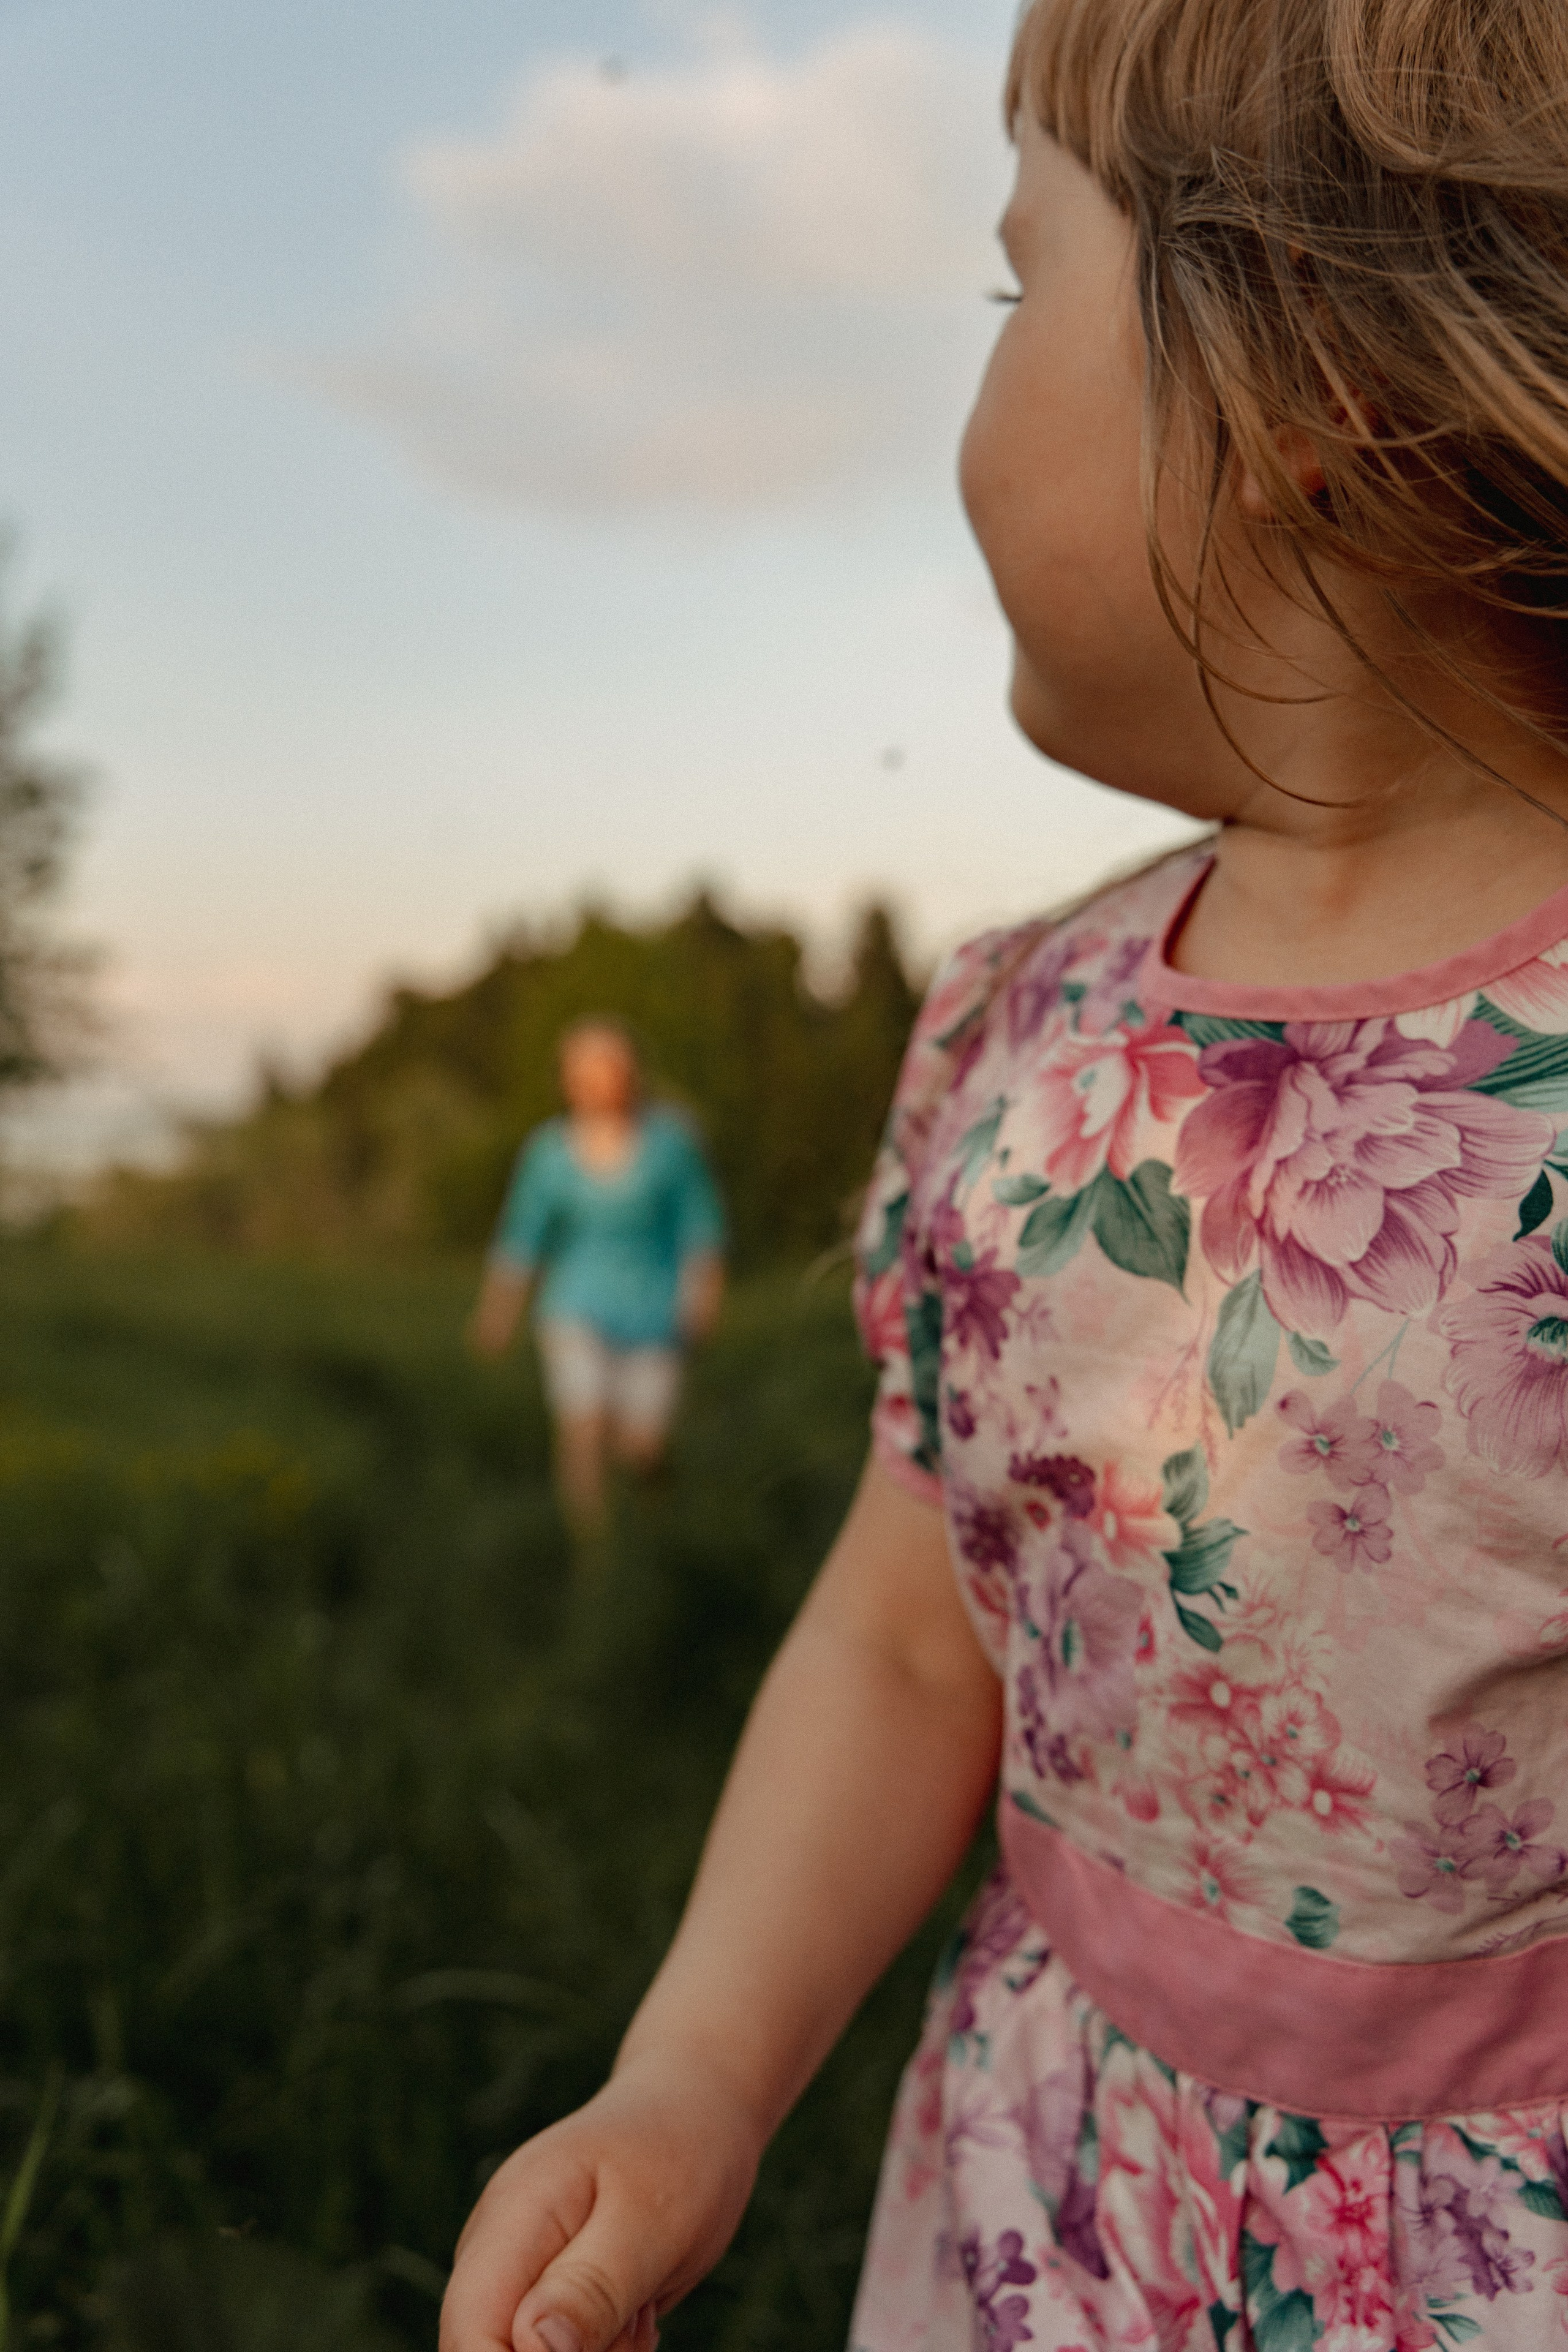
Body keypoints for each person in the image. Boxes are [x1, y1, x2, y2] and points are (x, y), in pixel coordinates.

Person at [443, 3, 1568, 2345]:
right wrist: (692, 2084)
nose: (964, 389)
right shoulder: (1009, 1033)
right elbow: (897, 1629)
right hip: (1044, 2206)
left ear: (1300, 405)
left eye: (1008, 285)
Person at [469, 1020, 725, 1537]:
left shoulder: (670, 1146)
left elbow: (702, 1230)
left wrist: (703, 1299)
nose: (596, 1081)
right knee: (581, 1426)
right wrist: (497, 1314)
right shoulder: (549, 1153)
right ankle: (593, 1555)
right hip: (575, 1306)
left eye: (607, 1068)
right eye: (583, 1071)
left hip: (655, 1312)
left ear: (630, 1073)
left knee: (642, 1447)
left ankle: (653, 1538)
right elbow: (520, 1241)